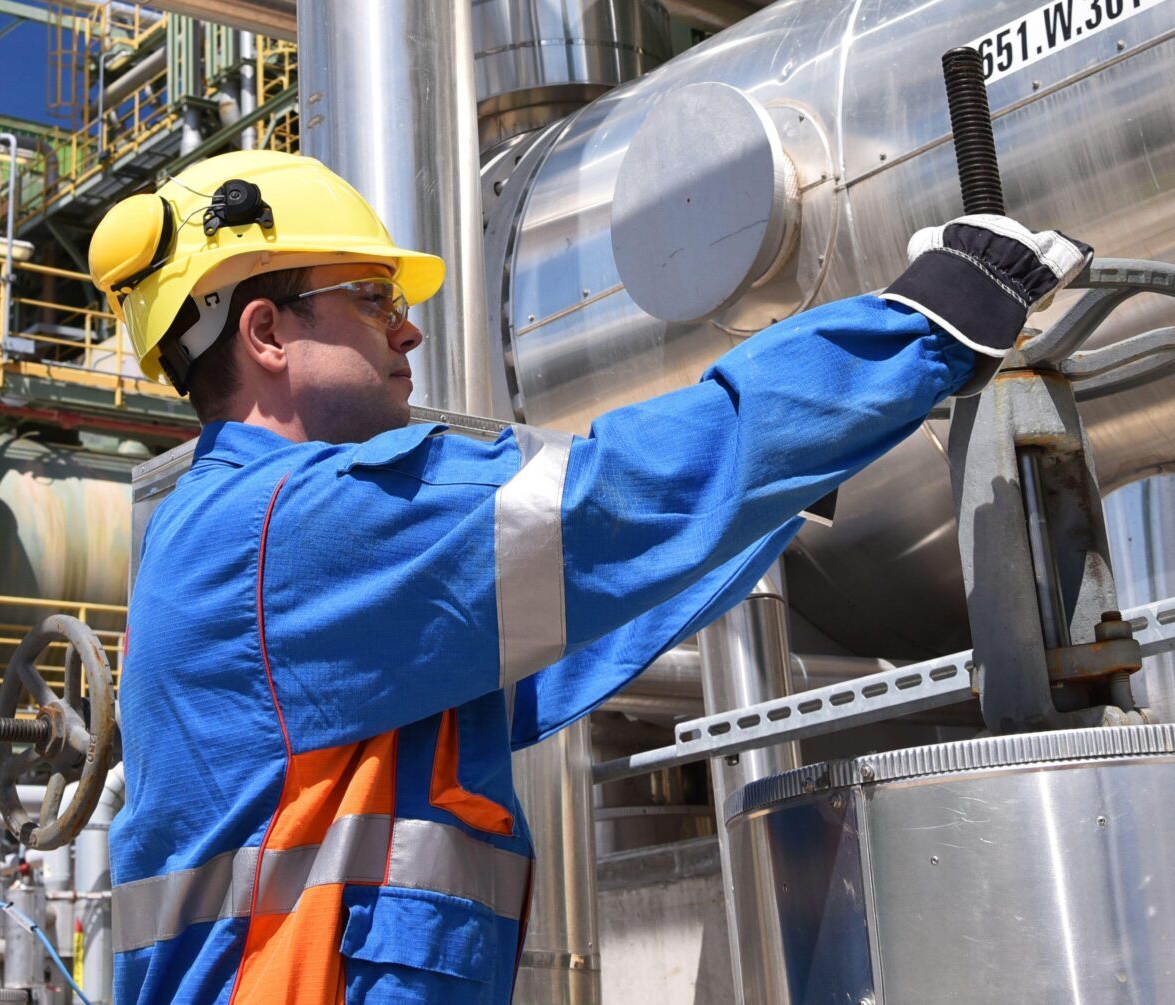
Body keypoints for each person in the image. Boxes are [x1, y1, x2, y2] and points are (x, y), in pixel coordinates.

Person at [87, 148, 1084, 1005]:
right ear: (264, 333)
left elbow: (583, 607)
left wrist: (784, 481)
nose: (409, 329)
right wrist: (924, 323)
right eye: (373, 296)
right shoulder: (292, 530)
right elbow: (602, 502)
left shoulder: (259, 554)